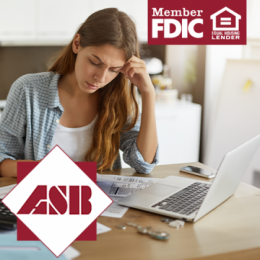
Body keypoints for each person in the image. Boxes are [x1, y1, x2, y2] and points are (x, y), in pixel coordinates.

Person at [0, 8, 159, 178]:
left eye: (114, 69)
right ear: (77, 44)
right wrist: (45, 169)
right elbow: (2, 162)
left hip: (102, 202)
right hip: (44, 199)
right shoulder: (28, 90)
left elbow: (143, 163)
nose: (100, 78)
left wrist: (148, 93)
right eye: (95, 62)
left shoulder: (118, 97)